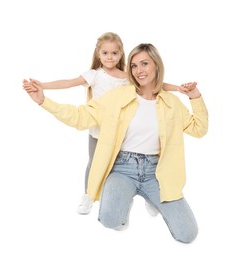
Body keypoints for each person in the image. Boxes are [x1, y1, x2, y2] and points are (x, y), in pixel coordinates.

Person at [23, 42, 208, 243]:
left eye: (144, 64)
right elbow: (80, 117)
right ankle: (124, 200)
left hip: (157, 172)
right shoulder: (118, 97)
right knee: (110, 220)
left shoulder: (171, 102)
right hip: (122, 169)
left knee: (188, 235)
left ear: (156, 65)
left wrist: (195, 97)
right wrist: (44, 101)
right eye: (134, 66)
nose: (139, 70)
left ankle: (152, 199)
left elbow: (199, 129)